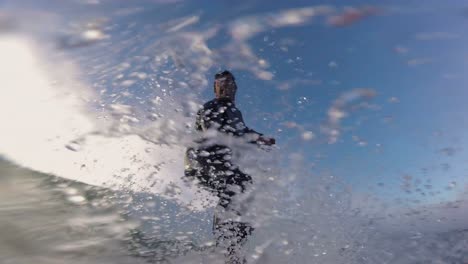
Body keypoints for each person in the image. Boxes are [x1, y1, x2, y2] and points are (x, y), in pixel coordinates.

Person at [184, 70, 275, 263]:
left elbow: (240, 131)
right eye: (220, 84)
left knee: (244, 191)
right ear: (216, 88)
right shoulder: (212, 105)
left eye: (229, 83)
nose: (225, 87)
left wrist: (259, 138)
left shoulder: (233, 110)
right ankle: (227, 249)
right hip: (203, 158)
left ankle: (233, 247)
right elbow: (218, 132)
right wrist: (255, 138)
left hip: (209, 160)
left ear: (235, 88)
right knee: (237, 186)